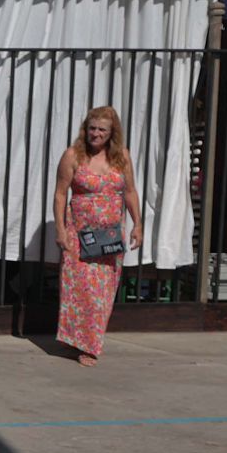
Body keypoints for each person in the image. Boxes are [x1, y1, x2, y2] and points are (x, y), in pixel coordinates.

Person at [54, 106, 143, 366]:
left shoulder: (121, 156)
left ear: (112, 133)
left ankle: (88, 343)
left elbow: (130, 191)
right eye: (92, 128)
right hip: (79, 234)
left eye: (102, 130)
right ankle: (82, 343)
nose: (96, 134)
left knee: (101, 294)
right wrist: (60, 229)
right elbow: (60, 194)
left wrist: (138, 224)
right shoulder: (73, 156)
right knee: (80, 290)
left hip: (110, 237)